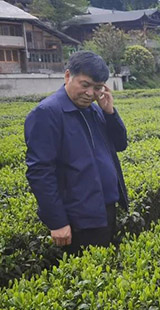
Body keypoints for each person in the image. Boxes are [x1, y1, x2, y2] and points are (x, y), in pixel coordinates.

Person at [24, 51, 128, 254]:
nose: (90, 93)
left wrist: (110, 113)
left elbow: (120, 144)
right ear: (67, 76)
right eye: (85, 85)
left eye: (97, 88)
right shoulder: (47, 113)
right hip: (79, 218)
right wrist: (57, 222)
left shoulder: (95, 109)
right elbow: (40, 172)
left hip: (105, 209)